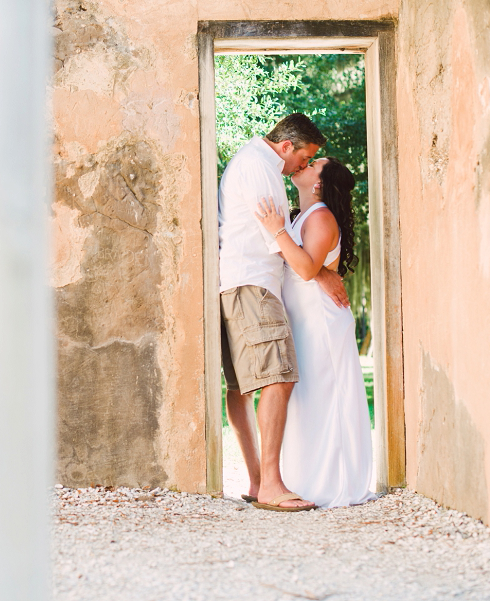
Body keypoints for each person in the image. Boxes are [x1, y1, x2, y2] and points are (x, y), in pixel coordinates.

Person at [218, 114, 349, 512]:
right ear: (288, 145)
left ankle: (260, 481)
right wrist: (322, 272)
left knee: (242, 387)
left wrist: (319, 269)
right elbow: (279, 239)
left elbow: (284, 235)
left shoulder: (256, 164)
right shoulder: (261, 167)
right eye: (305, 157)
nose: (303, 166)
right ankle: (270, 484)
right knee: (278, 378)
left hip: (243, 282)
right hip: (255, 284)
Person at [255, 157, 376, 509]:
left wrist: (276, 229)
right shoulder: (302, 215)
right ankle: (300, 477)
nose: (303, 165)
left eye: (312, 165)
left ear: (319, 183)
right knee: (306, 397)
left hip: (321, 321)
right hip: (304, 318)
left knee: (325, 396)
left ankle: (332, 482)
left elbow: (306, 268)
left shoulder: (321, 216)